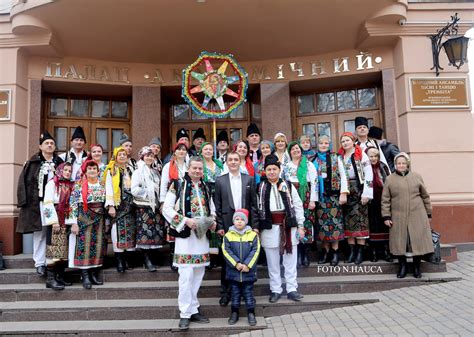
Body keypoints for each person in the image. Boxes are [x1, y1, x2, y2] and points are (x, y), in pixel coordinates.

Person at [162, 156, 216, 331]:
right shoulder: (177, 185)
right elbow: (166, 209)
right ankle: (184, 313)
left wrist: (212, 221)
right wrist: (185, 221)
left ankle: (193, 308)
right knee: (186, 275)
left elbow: (211, 208)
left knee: (199, 273)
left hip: (201, 235)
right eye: (194, 168)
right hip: (185, 236)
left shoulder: (206, 187)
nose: (197, 171)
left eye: (200, 169)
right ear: (188, 168)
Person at [258, 154, 305, 303]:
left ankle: (292, 289)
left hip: (288, 227)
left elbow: (297, 206)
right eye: (269, 169)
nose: (272, 172)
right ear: (265, 171)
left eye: (274, 169)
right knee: (272, 263)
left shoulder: (288, 185)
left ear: (279, 170)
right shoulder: (260, 187)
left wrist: (301, 226)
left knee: (290, 261)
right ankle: (276, 290)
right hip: (269, 228)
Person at [214, 151, 259, 306]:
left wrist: (255, 226)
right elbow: (218, 206)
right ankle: (225, 293)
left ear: (240, 162)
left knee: (244, 256)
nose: (233, 162)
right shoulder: (220, 181)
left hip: (246, 226)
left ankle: (244, 293)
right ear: (226, 162)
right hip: (227, 224)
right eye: (230, 160)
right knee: (227, 259)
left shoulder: (249, 179)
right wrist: (220, 226)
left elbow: (254, 205)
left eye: (236, 159)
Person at [17, 131, 64, 276]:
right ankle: (40, 263)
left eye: (52, 143)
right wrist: (23, 202)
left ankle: (53, 262)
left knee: (54, 234)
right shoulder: (32, 163)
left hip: (56, 205)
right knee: (40, 234)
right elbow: (22, 183)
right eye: (47, 143)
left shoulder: (60, 163)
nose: (49, 146)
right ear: (40, 146)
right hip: (38, 204)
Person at [382, 152, 434, 279]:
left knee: (417, 242)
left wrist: (428, 212)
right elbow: (385, 199)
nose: (401, 165)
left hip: (417, 213)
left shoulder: (416, 176)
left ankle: (417, 268)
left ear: (407, 164)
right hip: (398, 215)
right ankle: (403, 267)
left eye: (403, 163)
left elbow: (425, 196)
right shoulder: (390, 179)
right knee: (400, 243)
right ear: (395, 165)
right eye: (398, 163)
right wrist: (386, 216)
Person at [67, 160, 106, 289]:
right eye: (89, 169)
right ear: (85, 171)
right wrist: (73, 223)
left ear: (98, 171)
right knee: (84, 246)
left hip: (98, 219)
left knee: (96, 246)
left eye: (94, 169)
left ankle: (94, 274)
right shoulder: (79, 185)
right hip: (83, 218)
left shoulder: (102, 185)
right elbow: (72, 204)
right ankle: (85, 275)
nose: (92, 171)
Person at [313, 135, 348, 266]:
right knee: (323, 227)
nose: (323, 145)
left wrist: (343, 193)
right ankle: (325, 252)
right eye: (321, 143)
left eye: (326, 143)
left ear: (330, 145)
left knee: (335, 226)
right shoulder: (314, 159)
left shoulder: (336, 157)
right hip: (320, 198)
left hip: (333, 197)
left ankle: (335, 253)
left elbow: (343, 176)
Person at [338, 132, 373, 265]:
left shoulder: (361, 155)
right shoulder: (340, 157)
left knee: (360, 221)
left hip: (359, 190)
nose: (345, 143)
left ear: (353, 141)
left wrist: (367, 193)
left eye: (347, 140)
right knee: (348, 222)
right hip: (346, 191)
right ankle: (351, 252)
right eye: (343, 141)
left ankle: (360, 252)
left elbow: (368, 174)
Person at [282, 141, 318, 268]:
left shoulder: (308, 165)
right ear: (289, 152)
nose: (296, 151)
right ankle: (297, 254)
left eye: (297, 148)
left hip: (306, 196)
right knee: (294, 222)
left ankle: (305, 253)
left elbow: (314, 182)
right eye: (293, 149)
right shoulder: (285, 166)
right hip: (290, 195)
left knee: (306, 223)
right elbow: (282, 183)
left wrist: (313, 199)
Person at [222, 209, 260, 326]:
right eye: (237, 219)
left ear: (246, 222)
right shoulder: (228, 235)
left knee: (249, 294)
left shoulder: (253, 235)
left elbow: (256, 250)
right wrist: (236, 263)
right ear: (233, 221)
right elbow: (226, 251)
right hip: (234, 272)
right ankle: (234, 313)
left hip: (248, 272)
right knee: (235, 294)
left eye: (242, 219)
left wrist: (248, 265)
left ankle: (251, 313)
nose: (239, 222)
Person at [131, 146, 165, 272]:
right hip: (143, 207)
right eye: (147, 156)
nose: (149, 158)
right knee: (144, 233)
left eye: (151, 156)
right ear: (142, 157)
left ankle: (153, 258)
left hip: (154, 207)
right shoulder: (138, 172)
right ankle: (146, 260)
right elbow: (134, 190)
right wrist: (149, 191)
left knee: (155, 233)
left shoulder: (156, 172)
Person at [42, 162, 75, 290]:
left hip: (66, 219)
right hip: (55, 220)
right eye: (65, 170)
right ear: (59, 170)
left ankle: (60, 276)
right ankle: (50, 279)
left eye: (69, 171)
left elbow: (72, 204)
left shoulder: (70, 185)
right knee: (53, 249)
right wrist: (53, 221)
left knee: (63, 250)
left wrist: (71, 222)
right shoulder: (52, 183)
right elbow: (48, 202)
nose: (67, 172)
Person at [104, 146, 137, 273]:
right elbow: (109, 188)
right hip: (118, 206)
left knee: (130, 232)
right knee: (117, 231)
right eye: (120, 154)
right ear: (115, 157)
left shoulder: (131, 169)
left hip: (131, 206)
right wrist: (111, 205)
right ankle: (119, 261)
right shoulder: (111, 170)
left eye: (124, 154)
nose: (122, 156)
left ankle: (127, 259)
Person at [160, 140, 189, 271]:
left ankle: (183, 256)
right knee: (174, 226)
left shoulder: (189, 165)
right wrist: (162, 201)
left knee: (184, 227)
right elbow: (163, 185)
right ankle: (173, 257)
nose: (181, 152)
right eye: (179, 149)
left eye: (184, 150)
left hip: (186, 199)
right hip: (172, 199)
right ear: (175, 152)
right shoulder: (168, 166)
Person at [366, 147, 392, 262]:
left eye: (375, 156)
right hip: (370, 201)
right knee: (372, 225)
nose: (373, 158)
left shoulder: (383, 166)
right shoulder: (364, 167)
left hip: (382, 199)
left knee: (384, 224)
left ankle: (386, 251)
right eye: (371, 156)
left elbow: (388, 182)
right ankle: (373, 252)